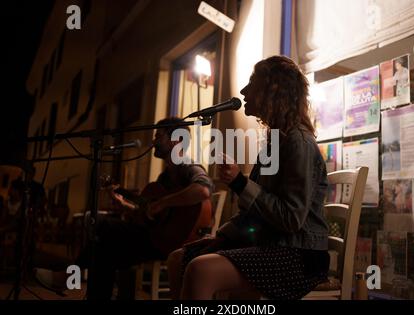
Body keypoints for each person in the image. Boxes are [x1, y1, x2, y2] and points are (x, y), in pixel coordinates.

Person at [167, 56, 330, 300]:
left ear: (272, 90)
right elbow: (255, 215)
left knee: (200, 270)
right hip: (272, 246)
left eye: (252, 82)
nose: (243, 91)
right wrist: (223, 237)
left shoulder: (298, 143)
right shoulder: (275, 142)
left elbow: (291, 218)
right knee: (178, 259)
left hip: (299, 256)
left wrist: (240, 183)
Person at [34, 117, 214, 300]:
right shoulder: (164, 179)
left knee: (105, 229)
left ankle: (67, 277)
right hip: (159, 239)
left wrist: (162, 203)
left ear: (177, 139)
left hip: (179, 243)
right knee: (105, 251)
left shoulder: (190, 167)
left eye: (158, 136)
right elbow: (150, 218)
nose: (153, 141)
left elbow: (203, 190)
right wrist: (125, 205)